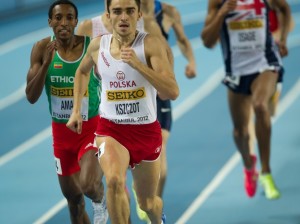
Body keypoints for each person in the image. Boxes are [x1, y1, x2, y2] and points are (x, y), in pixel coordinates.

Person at [67, 0, 179, 223]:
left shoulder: (151, 45)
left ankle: (158, 219)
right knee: (114, 181)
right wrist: (76, 110)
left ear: (139, 14)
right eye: (117, 11)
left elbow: (172, 91)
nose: (124, 17)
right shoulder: (98, 46)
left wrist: (139, 65)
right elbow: (81, 72)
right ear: (108, 15)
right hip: (111, 130)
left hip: (145, 131)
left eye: (129, 11)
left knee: (148, 203)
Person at [25, 1, 108, 223]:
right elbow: (31, 96)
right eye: (58, 18)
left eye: (69, 17)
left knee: (89, 185)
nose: (64, 23)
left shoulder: (91, 46)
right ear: (50, 22)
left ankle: (101, 202)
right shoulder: (41, 48)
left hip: (90, 128)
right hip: (61, 136)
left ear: (76, 21)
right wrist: (45, 66)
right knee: (74, 203)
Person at [201, 0, 291, 200]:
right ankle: (249, 165)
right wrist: (222, 13)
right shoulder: (218, 2)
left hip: (266, 63)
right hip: (237, 71)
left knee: (260, 106)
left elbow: (284, 8)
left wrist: (283, 39)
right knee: (240, 132)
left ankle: (266, 173)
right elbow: (207, 41)